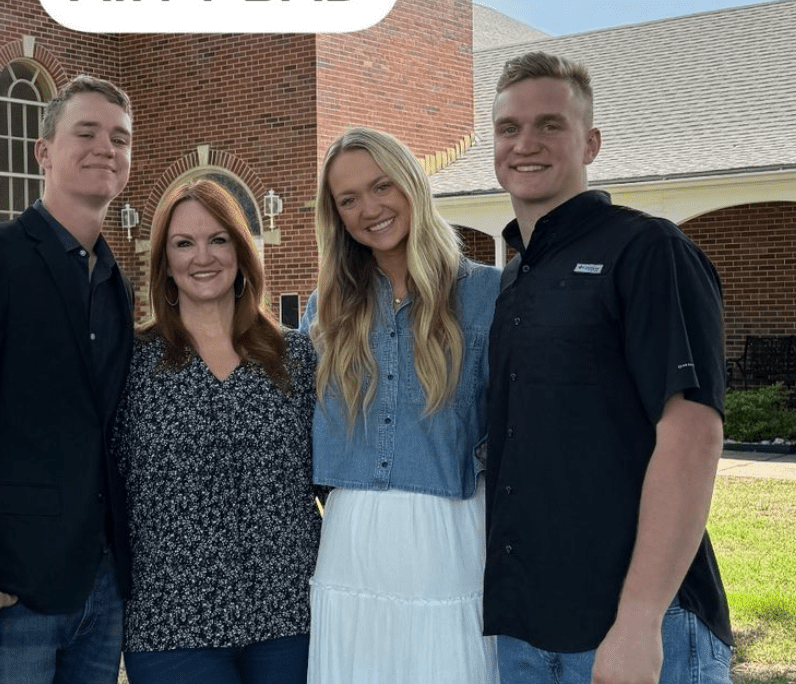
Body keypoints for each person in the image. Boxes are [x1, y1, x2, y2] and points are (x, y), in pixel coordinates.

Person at [484, 51, 733, 684]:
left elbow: (692, 435)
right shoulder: (514, 280)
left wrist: (640, 621)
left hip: (637, 630)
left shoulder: (649, 251)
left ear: (591, 142)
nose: (525, 143)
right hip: (526, 632)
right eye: (509, 128)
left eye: (550, 125)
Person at [0, 75, 134, 684]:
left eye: (119, 139)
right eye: (86, 132)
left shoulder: (114, 281)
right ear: (43, 151)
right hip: (4, 593)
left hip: (100, 591)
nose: (105, 149)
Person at [300, 127, 501, 683]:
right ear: (336, 215)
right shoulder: (327, 310)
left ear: (412, 184)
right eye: (348, 199)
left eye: (382, 186)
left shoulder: (489, 294)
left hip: (449, 534)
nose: (370, 208)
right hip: (353, 537)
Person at [112, 179, 320, 684]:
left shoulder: (294, 356)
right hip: (172, 624)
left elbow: (330, 477)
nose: (201, 257)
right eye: (183, 243)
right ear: (163, 261)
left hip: (289, 614)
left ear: (241, 250)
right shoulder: (131, 362)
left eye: (218, 239)